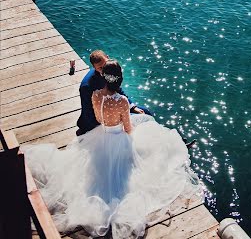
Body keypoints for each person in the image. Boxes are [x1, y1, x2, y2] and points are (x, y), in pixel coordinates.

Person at [23, 60, 202, 239]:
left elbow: (100, 119)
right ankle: (179, 144)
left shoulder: (95, 95)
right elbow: (128, 128)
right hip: (118, 136)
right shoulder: (122, 101)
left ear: (104, 77)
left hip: (102, 135)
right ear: (119, 80)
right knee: (149, 131)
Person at [76, 50, 152, 136]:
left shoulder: (110, 70)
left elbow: (118, 90)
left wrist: (133, 107)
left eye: (105, 64)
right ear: (93, 67)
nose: (104, 69)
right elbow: (88, 111)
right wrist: (110, 119)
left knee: (146, 112)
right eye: (100, 68)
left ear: (108, 58)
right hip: (99, 119)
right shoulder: (86, 86)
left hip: (114, 107)